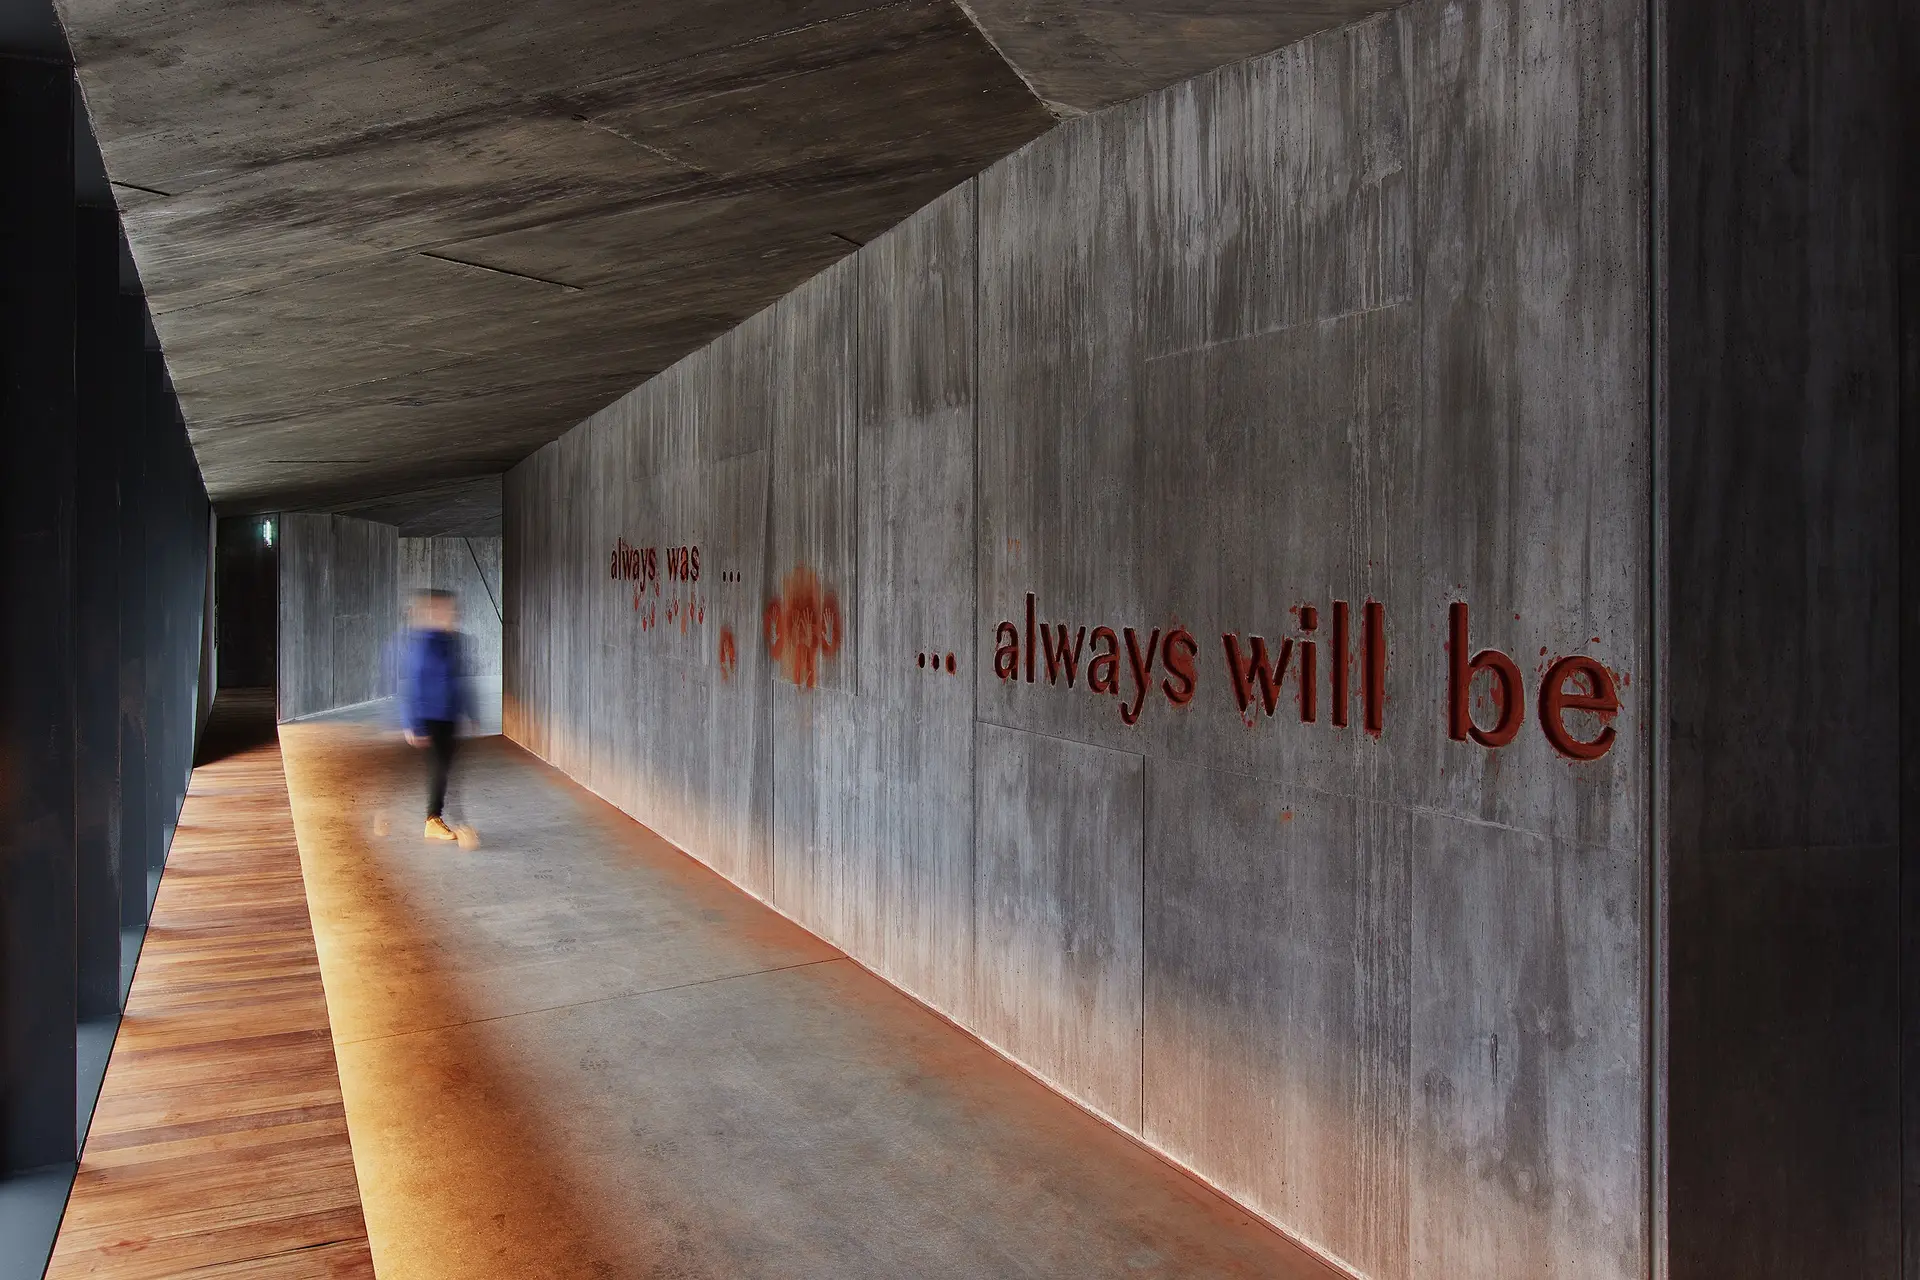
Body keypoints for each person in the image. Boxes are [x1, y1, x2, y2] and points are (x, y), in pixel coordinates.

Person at [399, 589, 474, 842]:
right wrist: (414, 726)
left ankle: (439, 818)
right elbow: (412, 684)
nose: (449, 615)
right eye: (443, 610)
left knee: (446, 770)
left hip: (449, 716)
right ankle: (433, 820)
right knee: (439, 769)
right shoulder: (424, 644)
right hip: (430, 717)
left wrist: (469, 712)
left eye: (451, 610)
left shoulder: (451, 642)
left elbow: (458, 681)